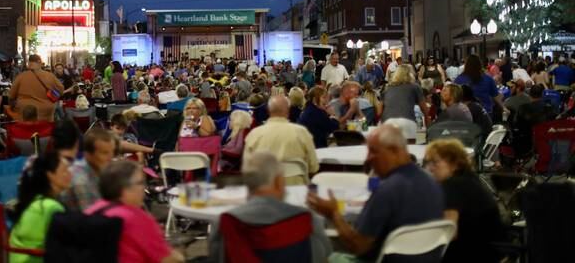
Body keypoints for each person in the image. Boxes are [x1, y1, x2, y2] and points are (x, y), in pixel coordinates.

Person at [309, 125, 444, 261]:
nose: (368, 158)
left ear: (394, 151)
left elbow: (358, 246)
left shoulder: (387, 190)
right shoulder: (432, 182)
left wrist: (333, 214)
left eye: (373, 151)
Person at [209, 151, 331, 263]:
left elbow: (217, 258)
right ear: (278, 181)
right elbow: (322, 256)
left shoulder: (224, 223)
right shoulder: (307, 220)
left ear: (247, 183)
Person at [86, 160, 184, 263]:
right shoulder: (136, 218)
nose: (144, 188)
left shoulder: (91, 211)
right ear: (124, 188)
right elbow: (168, 259)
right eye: (140, 183)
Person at [424, 139, 503, 263]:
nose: (430, 168)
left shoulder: (453, 185)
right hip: (490, 251)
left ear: (455, 163)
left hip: (469, 254)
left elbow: (449, 231)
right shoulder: (471, 179)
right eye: (428, 163)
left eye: (435, 162)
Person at [8, 151, 71, 262]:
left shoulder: (32, 201)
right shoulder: (51, 208)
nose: (70, 174)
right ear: (50, 175)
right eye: (65, 170)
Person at [244, 95, 318, 183]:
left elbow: (247, 169)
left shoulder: (254, 134)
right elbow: (313, 167)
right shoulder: (302, 132)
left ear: (268, 111)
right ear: (288, 111)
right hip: (297, 188)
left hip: (265, 188)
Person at [60, 128, 116, 211]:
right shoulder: (79, 179)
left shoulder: (99, 169)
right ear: (88, 154)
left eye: (112, 152)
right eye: (105, 153)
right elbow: (91, 217)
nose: (111, 157)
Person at [9, 54, 64, 122]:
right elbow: (61, 90)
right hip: (46, 113)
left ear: (29, 63)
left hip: (25, 112)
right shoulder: (50, 76)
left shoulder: (21, 76)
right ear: (39, 62)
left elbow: (11, 95)